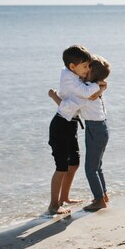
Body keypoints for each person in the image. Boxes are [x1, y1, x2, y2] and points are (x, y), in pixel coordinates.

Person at [47, 45, 105, 215]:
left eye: (88, 67)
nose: (87, 70)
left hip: (71, 124)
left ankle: (64, 197)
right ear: (73, 67)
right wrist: (99, 86)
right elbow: (87, 93)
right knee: (61, 167)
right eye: (85, 66)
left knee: (74, 163)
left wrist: (101, 86)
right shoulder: (73, 84)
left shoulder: (73, 75)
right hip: (60, 126)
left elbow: (92, 89)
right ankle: (53, 205)